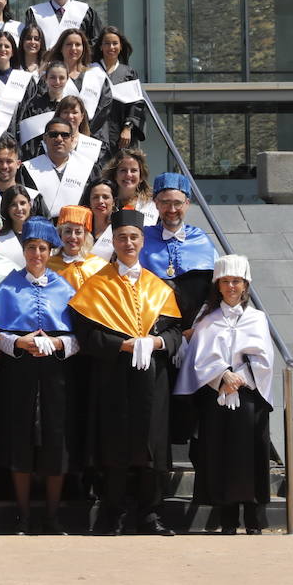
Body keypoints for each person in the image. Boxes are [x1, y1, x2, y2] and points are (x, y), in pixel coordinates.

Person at [69, 209, 183, 536]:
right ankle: (111, 515)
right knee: (115, 446)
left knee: (152, 445)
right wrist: (123, 346)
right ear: (113, 242)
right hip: (114, 377)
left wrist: (158, 341)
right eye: (121, 237)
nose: (128, 242)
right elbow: (88, 336)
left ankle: (150, 516)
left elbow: (175, 333)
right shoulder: (97, 286)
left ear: (142, 241)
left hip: (152, 380)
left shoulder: (158, 288)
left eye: (133, 237)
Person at [0, 218, 80, 534]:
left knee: (56, 437)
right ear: (24, 250)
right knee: (21, 437)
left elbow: (79, 337)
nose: (36, 254)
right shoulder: (9, 285)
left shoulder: (64, 287)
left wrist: (56, 343)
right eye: (31, 248)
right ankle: (23, 515)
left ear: (50, 250)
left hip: (56, 372)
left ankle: (52, 516)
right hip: (20, 371)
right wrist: (19, 342)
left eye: (42, 248)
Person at [173, 255, 275, 535]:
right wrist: (221, 375)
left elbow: (266, 358)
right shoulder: (207, 321)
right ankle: (227, 518)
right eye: (226, 281)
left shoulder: (257, 319)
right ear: (218, 285)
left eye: (237, 281)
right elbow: (199, 359)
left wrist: (241, 376)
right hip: (216, 395)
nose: (231, 286)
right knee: (221, 454)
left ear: (245, 285)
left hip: (249, 397)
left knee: (252, 454)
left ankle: (254, 519)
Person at [141, 172, 218, 326]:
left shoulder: (201, 240)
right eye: (165, 203)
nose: (172, 209)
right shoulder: (141, 239)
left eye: (178, 203)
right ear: (156, 203)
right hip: (154, 329)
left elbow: (216, 291)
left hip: (196, 329)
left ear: (187, 203)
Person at [20, 117, 96, 218]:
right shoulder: (27, 169)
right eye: (53, 135)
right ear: (45, 139)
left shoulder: (87, 167)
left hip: (78, 228)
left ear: (72, 139)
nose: (59, 139)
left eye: (65, 135)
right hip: (42, 229)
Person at [50, 204, 106, 289]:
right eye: (68, 231)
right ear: (60, 233)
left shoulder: (99, 266)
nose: (73, 237)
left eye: (78, 232)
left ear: (85, 236)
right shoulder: (48, 266)